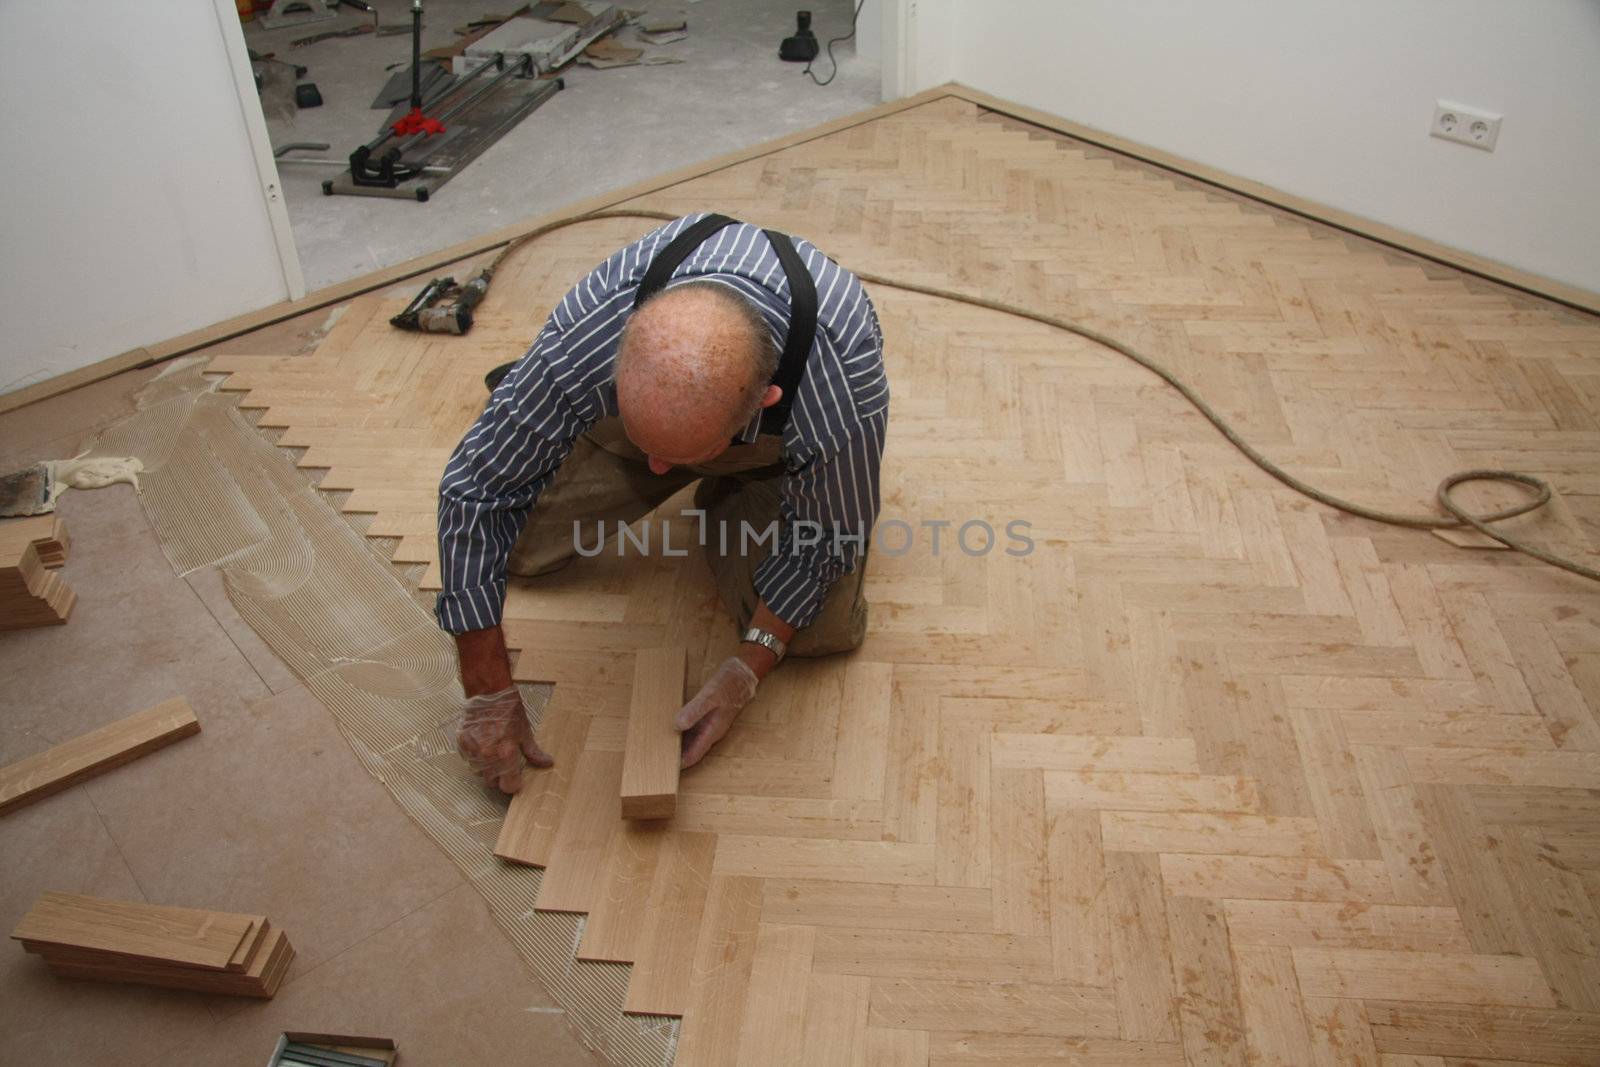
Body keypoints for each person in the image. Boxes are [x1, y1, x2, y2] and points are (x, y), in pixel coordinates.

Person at [436, 213, 889, 793]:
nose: (658, 472)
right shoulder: (590, 330)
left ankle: (740, 486)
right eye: (654, 454)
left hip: (778, 457)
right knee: (515, 547)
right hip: (648, 420)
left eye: (677, 457)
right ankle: (607, 426)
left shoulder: (842, 383)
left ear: (764, 402)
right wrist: (487, 690)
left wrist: (747, 668)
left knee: (819, 631)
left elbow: (827, 541)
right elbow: (477, 492)